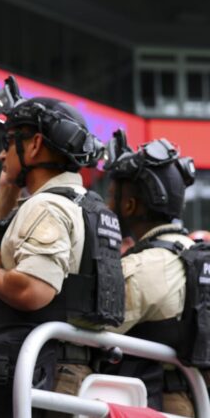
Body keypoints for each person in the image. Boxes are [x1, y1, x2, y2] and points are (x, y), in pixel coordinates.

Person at [0, 76, 114, 417]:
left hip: (40, 379)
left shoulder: (46, 207)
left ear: (34, 145)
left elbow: (33, 290)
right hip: (65, 370)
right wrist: (7, 186)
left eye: (9, 141)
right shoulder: (88, 205)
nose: (1, 153)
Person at [102, 131, 197, 415]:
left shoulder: (146, 265)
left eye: (110, 197)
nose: (107, 206)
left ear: (129, 205)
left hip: (160, 404)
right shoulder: (193, 252)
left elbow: (91, 327)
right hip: (194, 397)